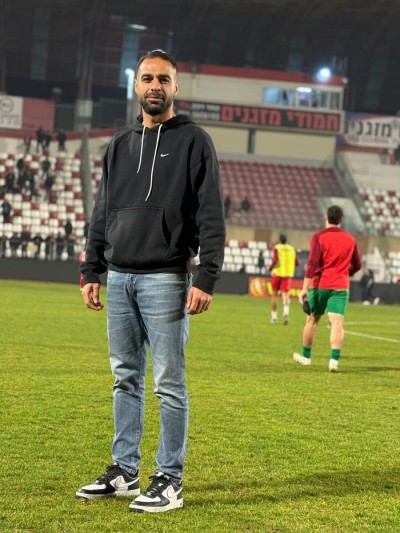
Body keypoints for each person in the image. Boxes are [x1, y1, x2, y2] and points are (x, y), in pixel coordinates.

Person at [77, 49, 226, 513]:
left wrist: (206, 275)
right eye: (147, 78)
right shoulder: (119, 145)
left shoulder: (195, 141)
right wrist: (91, 268)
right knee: (124, 378)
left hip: (166, 278)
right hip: (120, 277)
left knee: (168, 383)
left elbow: (211, 212)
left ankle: (170, 479)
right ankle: (125, 471)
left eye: (163, 78)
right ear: (136, 85)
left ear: (175, 87)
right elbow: (102, 211)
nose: (155, 85)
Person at [293, 205, 361, 372]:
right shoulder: (350, 239)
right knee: (337, 322)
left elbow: (312, 263)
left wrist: (304, 289)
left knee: (312, 320)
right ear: (341, 220)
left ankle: (306, 357)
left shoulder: (318, 237)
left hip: (319, 285)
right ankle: (334, 361)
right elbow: (357, 265)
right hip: (340, 286)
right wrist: (345, 273)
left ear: (326, 217)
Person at [268, 235, 299, 325]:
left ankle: (274, 318)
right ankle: (285, 313)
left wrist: (270, 268)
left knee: (274, 294)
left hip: (278, 273)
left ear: (279, 240)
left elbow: (275, 260)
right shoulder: (291, 249)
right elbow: (297, 263)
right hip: (288, 274)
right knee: (285, 295)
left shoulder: (277, 248)